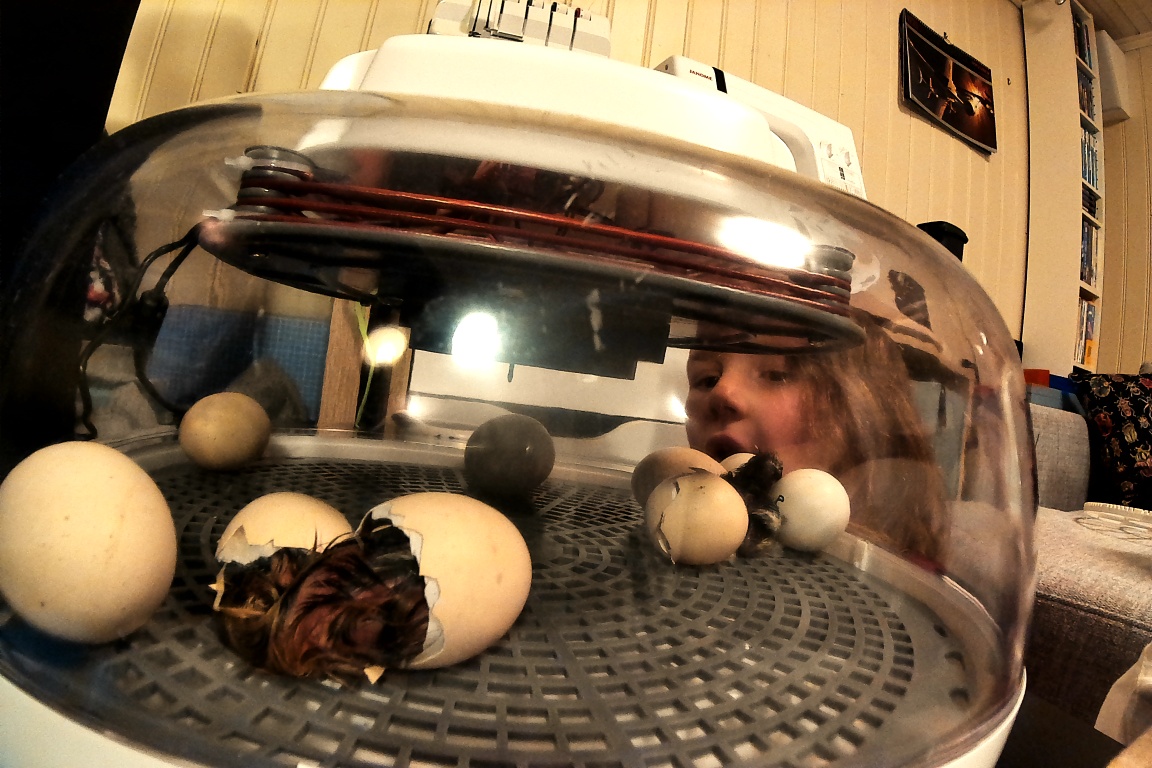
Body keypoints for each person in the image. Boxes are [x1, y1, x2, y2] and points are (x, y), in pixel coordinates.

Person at [683, 310, 950, 567]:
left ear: (860, 413)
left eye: (776, 375)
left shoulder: (901, 582)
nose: (722, 392)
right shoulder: (681, 542)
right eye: (707, 379)